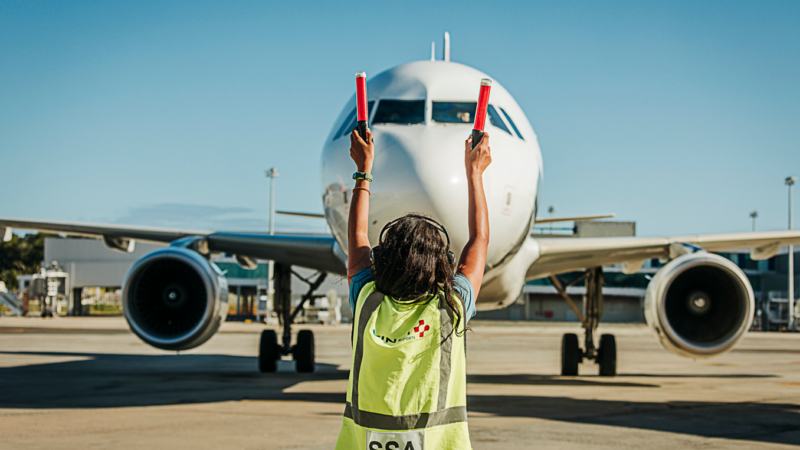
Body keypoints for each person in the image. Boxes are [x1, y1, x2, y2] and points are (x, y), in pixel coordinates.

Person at [334, 125, 492, 450]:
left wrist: (363, 171)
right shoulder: (451, 308)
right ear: (443, 266)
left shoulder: (368, 303)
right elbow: (479, 240)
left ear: (382, 262)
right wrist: (474, 173)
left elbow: (358, 238)